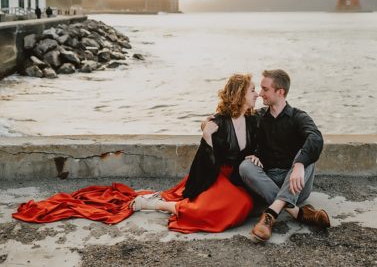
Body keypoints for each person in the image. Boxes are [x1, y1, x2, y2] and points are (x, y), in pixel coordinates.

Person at [129, 73, 256, 233]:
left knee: (245, 204)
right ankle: (155, 204)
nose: (257, 94)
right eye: (252, 90)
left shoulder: (253, 119)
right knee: (229, 206)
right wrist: (207, 136)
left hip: (239, 178)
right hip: (214, 175)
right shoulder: (219, 122)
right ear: (240, 93)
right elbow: (204, 161)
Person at [240, 69, 330, 242]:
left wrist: (299, 164)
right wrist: (207, 122)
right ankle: (297, 212)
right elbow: (231, 116)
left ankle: (270, 214)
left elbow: (316, 138)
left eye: (265, 89)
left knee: (307, 155)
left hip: (297, 185)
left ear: (280, 92)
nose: (260, 93)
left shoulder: (298, 117)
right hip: (268, 182)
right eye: (260, 89)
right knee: (245, 166)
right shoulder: (258, 117)